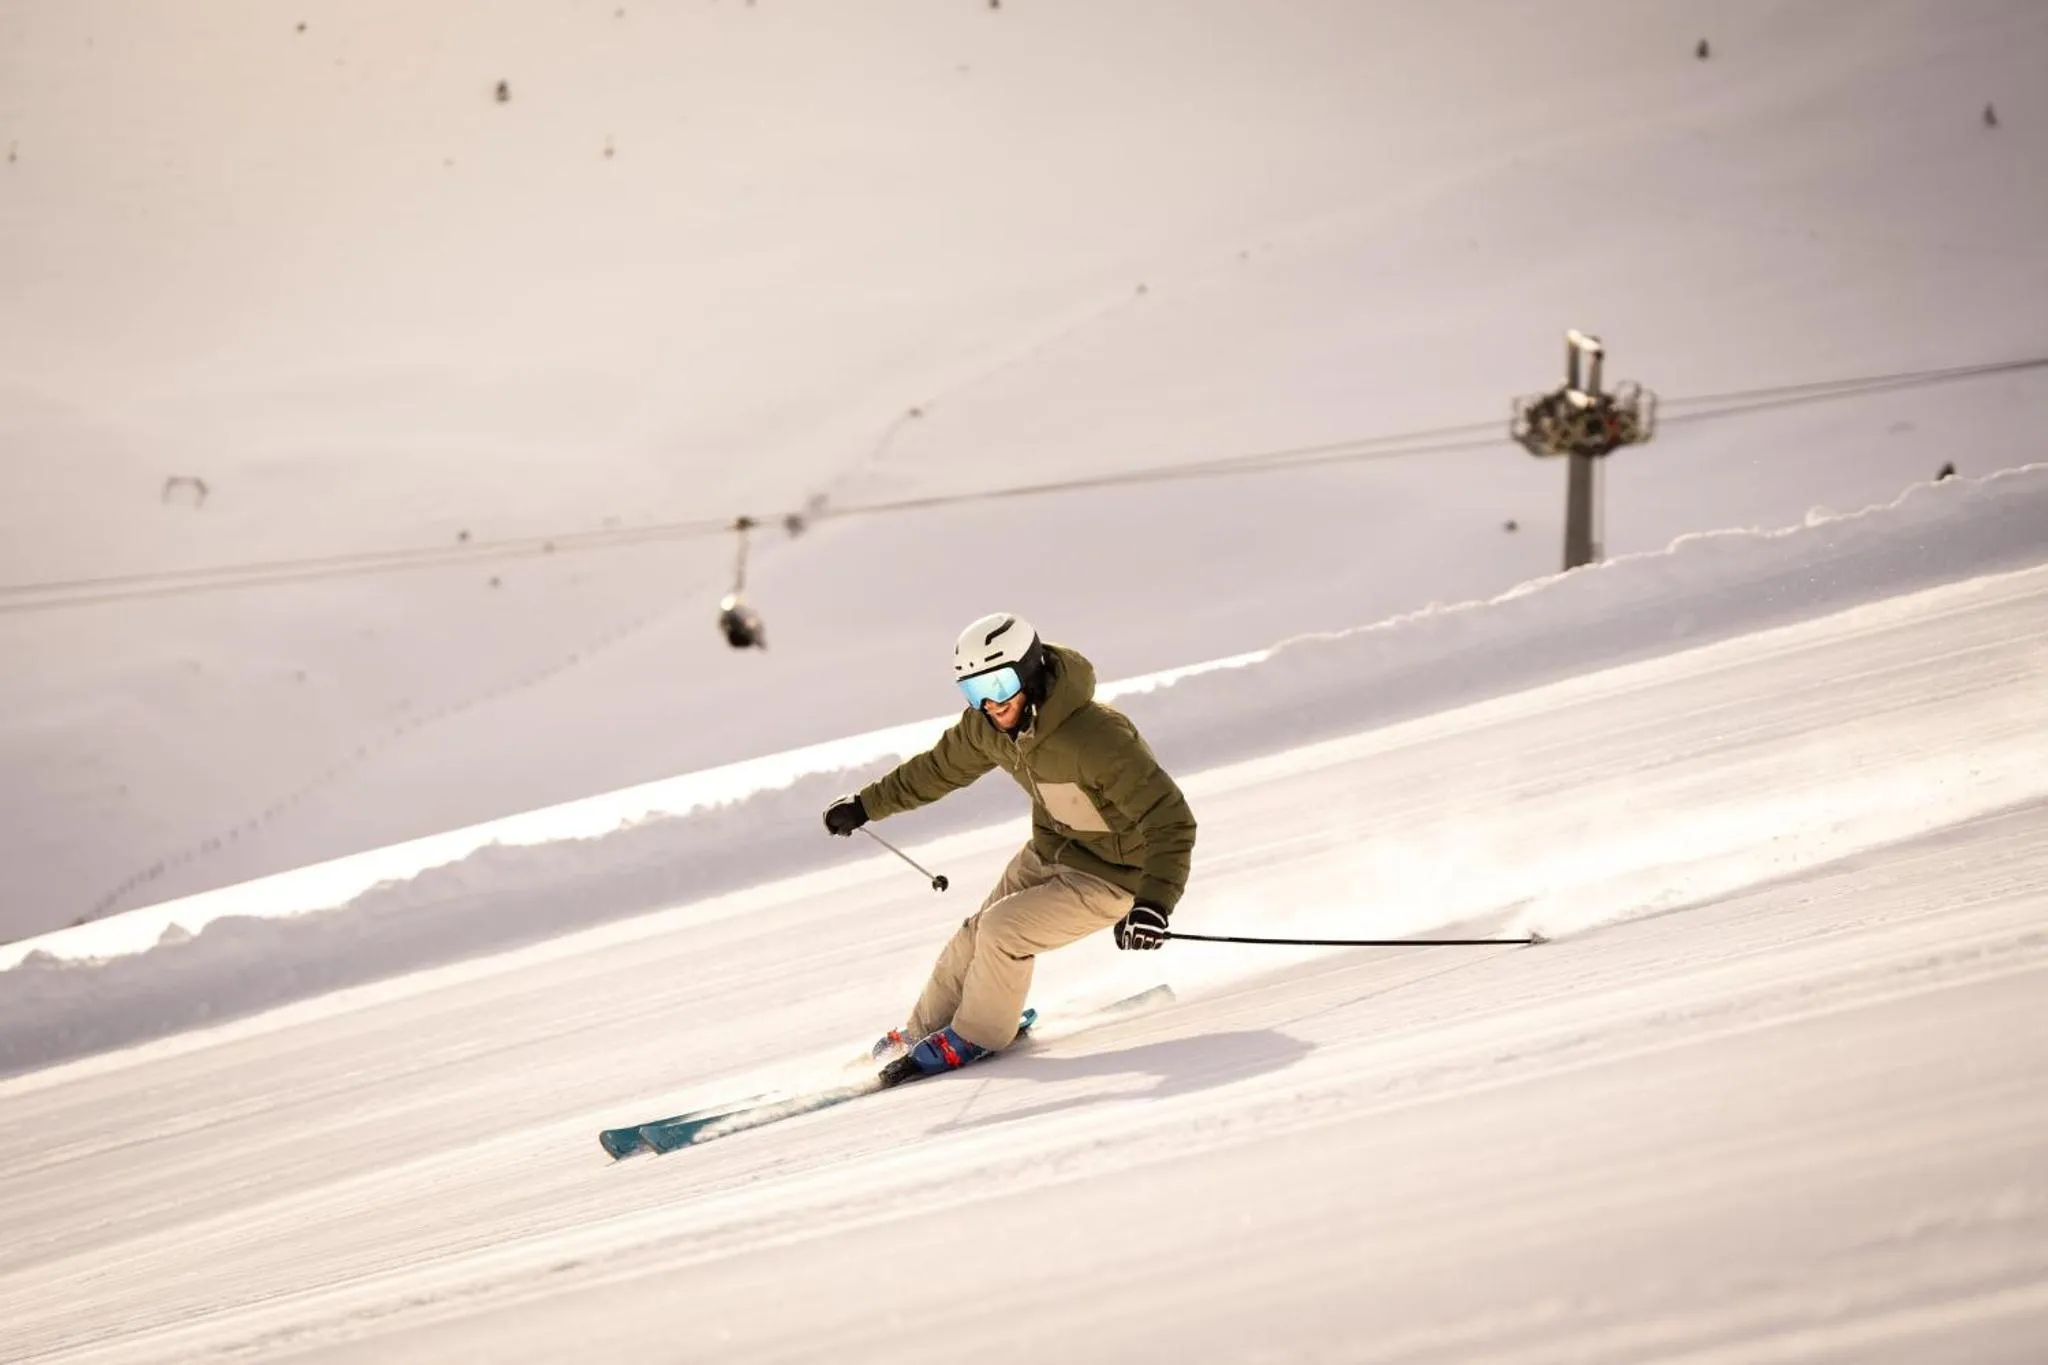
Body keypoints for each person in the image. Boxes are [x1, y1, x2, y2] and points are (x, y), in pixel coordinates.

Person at [823, 613, 1197, 1081]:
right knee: (973, 933)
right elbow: (937, 769)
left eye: (999, 685)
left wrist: (1154, 904)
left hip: (1116, 876)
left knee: (1003, 931)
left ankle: (978, 1034)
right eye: (974, 691)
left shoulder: (1097, 737)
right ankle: (922, 1030)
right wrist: (865, 805)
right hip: (1052, 851)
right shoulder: (989, 727)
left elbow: (1170, 819)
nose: (990, 704)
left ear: (1031, 673)